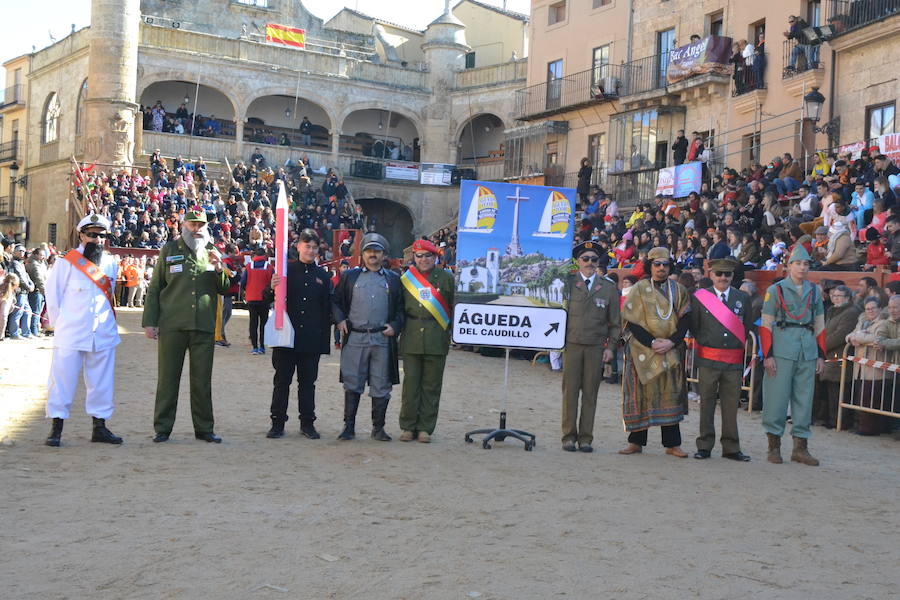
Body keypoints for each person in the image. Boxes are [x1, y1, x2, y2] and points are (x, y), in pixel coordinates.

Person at [142, 208, 231, 443]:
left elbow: (225, 288)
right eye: (192, 224)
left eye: (201, 225)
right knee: (168, 378)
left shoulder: (213, 252)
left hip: (203, 324)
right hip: (172, 324)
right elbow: (155, 287)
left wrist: (219, 269)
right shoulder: (170, 249)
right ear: (184, 226)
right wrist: (150, 322)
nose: (197, 229)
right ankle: (163, 428)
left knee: (202, 380)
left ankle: (204, 428)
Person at [43, 214, 123, 447]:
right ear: (81, 235)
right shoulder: (66, 262)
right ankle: (56, 428)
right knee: (62, 380)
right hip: (71, 332)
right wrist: (59, 325)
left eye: (101, 235)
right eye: (91, 235)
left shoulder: (110, 262)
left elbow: (109, 295)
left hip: (102, 332)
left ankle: (100, 427)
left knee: (102, 382)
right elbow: (53, 294)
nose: (96, 240)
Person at [619, 247, 691, 457]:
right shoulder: (639, 289)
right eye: (657, 264)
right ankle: (636, 442)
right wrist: (651, 342)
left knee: (670, 394)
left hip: (670, 349)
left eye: (665, 264)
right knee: (640, 395)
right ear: (650, 266)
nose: (661, 268)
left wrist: (670, 342)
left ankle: (672, 444)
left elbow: (685, 320)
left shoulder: (679, 291)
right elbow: (632, 322)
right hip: (642, 350)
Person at [332, 232, 404, 441]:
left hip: (382, 339)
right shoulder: (350, 277)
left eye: (377, 251)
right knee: (352, 382)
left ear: (384, 255)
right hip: (355, 337)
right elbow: (335, 301)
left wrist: (395, 326)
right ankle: (349, 427)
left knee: (381, 384)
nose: (373, 254)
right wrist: (340, 320)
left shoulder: (393, 279)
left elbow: (401, 309)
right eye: (369, 251)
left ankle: (378, 428)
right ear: (362, 254)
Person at [760, 245, 825, 465]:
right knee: (776, 398)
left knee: (804, 399)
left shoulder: (814, 291)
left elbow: (820, 324)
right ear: (788, 266)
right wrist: (767, 355)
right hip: (781, 349)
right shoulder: (775, 290)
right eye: (798, 263)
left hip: (807, 349)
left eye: (806, 264)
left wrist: (821, 355)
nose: (802, 267)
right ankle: (773, 446)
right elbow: (766, 325)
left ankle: (800, 448)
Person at [266, 229, 333, 439]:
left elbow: (327, 310)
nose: (310, 251)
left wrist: (323, 343)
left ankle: (307, 423)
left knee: (307, 384)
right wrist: (271, 288)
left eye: (314, 247)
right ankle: (277, 423)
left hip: (310, 339)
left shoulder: (323, 276)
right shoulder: (284, 271)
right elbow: (266, 298)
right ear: (298, 246)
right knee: (281, 382)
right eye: (307, 246)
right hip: (285, 337)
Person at [690, 257, 753, 461]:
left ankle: (731, 447)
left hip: (733, 361)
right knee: (706, 403)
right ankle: (704, 445)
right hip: (709, 359)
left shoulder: (742, 298)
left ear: (733, 276)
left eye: (727, 274)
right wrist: (707, 342)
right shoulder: (701, 297)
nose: (723, 277)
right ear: (711, 275)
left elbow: (747, 326)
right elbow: (695, 326)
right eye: (719, 274)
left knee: (730, 405)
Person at [561, 241, 621, 452]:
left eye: (594, 259)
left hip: (596, 348)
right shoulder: (567, 284)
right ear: (578, 261)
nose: (589, 263)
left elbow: (615, 323)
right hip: (572, 345)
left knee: (590, 394)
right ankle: (568, 436)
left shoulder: (608, 288)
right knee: (570, 393)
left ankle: (586, 438)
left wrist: (610, 347)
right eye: (585, 259)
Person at [397, 239, 455, 443]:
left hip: (436, 337)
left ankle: (425, 428)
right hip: (412, 335)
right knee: (410, 385)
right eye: (419, 256)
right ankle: (408, 426)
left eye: (428, 256)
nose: (423, 260)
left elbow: (454, 306)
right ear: (414, 257)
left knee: (431, 385)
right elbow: (399, 308)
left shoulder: (446, 278)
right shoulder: (406, 279)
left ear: (435, 257)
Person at [815, 285, 859, 429]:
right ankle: (830, 418)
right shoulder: (832, 310)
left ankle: (839, 421)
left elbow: (840, 335)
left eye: (839, 296)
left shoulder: (851, 312)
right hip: (828, 356)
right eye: (834, 296)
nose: (836, 298)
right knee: (829, 390)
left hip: (839, 356)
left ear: (847, 298)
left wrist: (821, 346)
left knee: (838, 391)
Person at [242, 247, 273, 355]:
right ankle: (262, 347)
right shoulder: (269, 267)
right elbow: (273, 282)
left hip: (251, 298)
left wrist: (247, 291)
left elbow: (243, 282)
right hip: (264, 299)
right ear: (265, 256)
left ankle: (255, 347)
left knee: (253, 323)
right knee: (263, 324)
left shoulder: (248, 266)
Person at [5, 244, 35, 339]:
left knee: (28, 312)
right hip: (19, 291)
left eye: (23, 251)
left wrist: (31, 285)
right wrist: (28, 287)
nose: (22, 253)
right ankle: (14, 333)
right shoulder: (14, 263)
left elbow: (26, 276)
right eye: (20, 251)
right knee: (18, 313)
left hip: (24, 292)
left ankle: (26, 333)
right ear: (15, 252)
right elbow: (20, 278)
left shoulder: (21, 263)